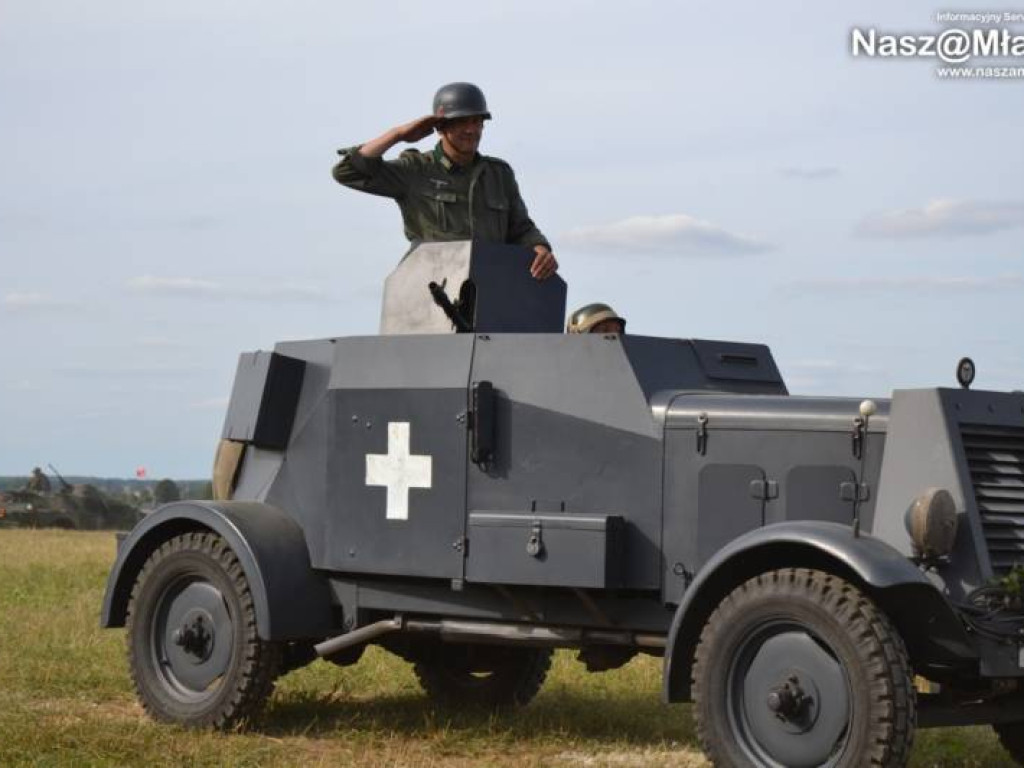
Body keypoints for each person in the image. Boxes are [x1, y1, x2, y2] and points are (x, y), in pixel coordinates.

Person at [332, 82, 558, 280]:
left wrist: (540, 249)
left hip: (489, 290)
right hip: (430, 289)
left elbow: (521, 229)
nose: (471, 130)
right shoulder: (416, 169)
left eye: (477, 121)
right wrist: (398, 134)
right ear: (440, 126)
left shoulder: (498, 174)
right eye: (461, 122)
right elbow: (348, 172)